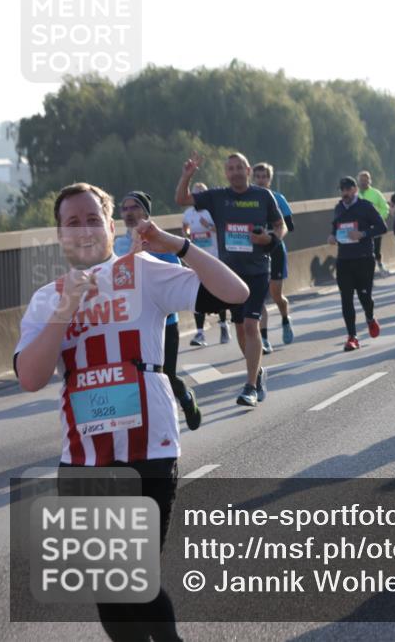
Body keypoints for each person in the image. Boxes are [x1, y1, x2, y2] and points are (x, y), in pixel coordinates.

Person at [15, 182, 248, 642]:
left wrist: (179, 246)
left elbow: (235, 293)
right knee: (110, 587)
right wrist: (66, 308)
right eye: (71, 222)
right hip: (83, 459)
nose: (82, 229)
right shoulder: (48, 297)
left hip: (149, 448)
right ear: (60, 233)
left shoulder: (141, 271)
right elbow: (30, 377)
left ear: (109, 226)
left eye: (92, 219)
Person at [175, 151, 286, 407]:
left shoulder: (262, 195)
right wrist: (187, 175)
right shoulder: (217, 197)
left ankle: (249, 387)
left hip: (258, 270)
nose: (235, 171)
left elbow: (280, 225)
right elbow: (181, 199)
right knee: (240, 328)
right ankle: (256, 373)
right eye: (230, 168)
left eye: (239, 167)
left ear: (247, 171)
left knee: (250, 325)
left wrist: (271, 239)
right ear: (226, 173)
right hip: (231, 274)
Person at [114, 190, 202, 431]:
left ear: (145, 212)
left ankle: (185, 398)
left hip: (164, 322)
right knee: (132, 378)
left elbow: (176, 276)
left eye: (135, 207)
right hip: (129, 322)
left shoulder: (160, 241)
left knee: (165, 376)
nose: (129, 212)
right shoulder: (116, 244)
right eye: (125, 208)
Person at [328, 176, 387, 350]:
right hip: (344, 259)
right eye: (342, 189)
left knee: (364, 297)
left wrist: (362, 234)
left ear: (355, 190)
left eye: (348, 189)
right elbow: (335, 228)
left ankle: (370, 317)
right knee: (346, 299)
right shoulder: (338, 208)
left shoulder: (365, 206)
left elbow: (381, 227)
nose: (345, 193)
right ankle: (352, 337)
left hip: (364, 259)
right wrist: (331, 236)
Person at [252, 162, 296, 351]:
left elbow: (289, 226)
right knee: (259, 296)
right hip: (255, 252)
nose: (261, 180)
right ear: (253, 178)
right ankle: (264, 338)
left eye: (265, 177)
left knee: (276, 294)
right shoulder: (248, 200)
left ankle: (285, 319)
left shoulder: (278, 198)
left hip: (276, 249)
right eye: (258, 177)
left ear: (269, 179)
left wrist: (272, 236)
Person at [182, 181, 231, 346]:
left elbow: (223, 230)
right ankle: (200, 333)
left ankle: (224, 326)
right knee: (196, 294)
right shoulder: (188, 213)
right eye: (196, 193)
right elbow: (185, 228)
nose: (198, 196)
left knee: (219, 292)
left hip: (215, 257)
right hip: (196, 259)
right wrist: (188, 234)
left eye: (201, 192)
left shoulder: (212, 212)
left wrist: (208, 226)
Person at [357, 170, 391, 277]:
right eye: (361, 180)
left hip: (374, 228)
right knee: (361, 250)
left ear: (370, 181)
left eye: (366, 180)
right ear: (358, 181)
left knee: (376, 249)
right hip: (360, 229)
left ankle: (380, 266)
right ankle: (364, 270)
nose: (364, 182)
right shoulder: (355, 195)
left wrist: (378, 220)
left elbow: (385, 208)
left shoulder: (376, 193)